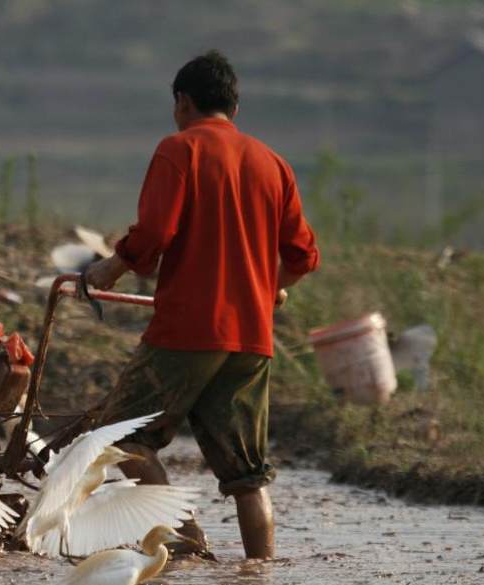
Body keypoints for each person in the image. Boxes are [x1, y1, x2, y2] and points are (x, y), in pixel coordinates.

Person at [82, 50, 319, 559]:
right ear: (233, 108)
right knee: (248, 476)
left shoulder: (179, 150)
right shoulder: (272, 163)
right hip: (252, 340)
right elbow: (302, 256)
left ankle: (186, 541)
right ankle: (261, 577)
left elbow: (154, 235)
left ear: (182, 102)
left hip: (188, 331)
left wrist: (110, 267)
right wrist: (274, 286)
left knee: (121, 436)